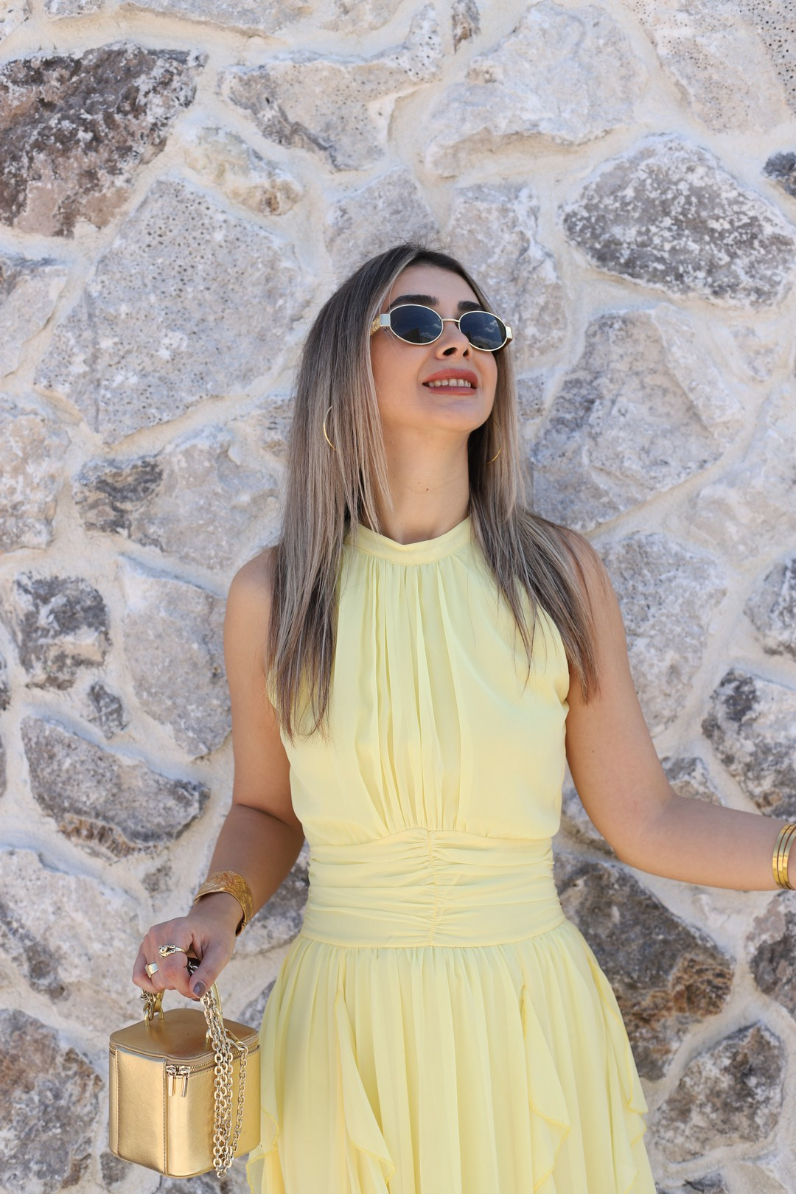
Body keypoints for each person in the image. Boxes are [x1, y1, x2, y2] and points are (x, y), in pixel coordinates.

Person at [133, 242, 796, 1194]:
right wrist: (217, 908)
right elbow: (267, 810)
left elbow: (646, 817)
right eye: (416, 322)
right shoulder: (275, 597)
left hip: (525, 1014)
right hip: (346, 1028)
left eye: (479, 327)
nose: (459, 344)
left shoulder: (557, 576)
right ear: (344, 365)